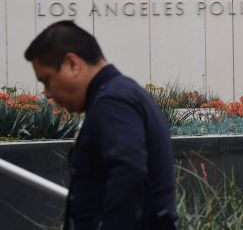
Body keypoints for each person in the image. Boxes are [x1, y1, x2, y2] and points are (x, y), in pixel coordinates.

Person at [24, 21, 179, 230]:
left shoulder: (112, 102)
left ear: (72, 64)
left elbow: (129, 171)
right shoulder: (121, 93)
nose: (48, 93)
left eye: (46, 80)